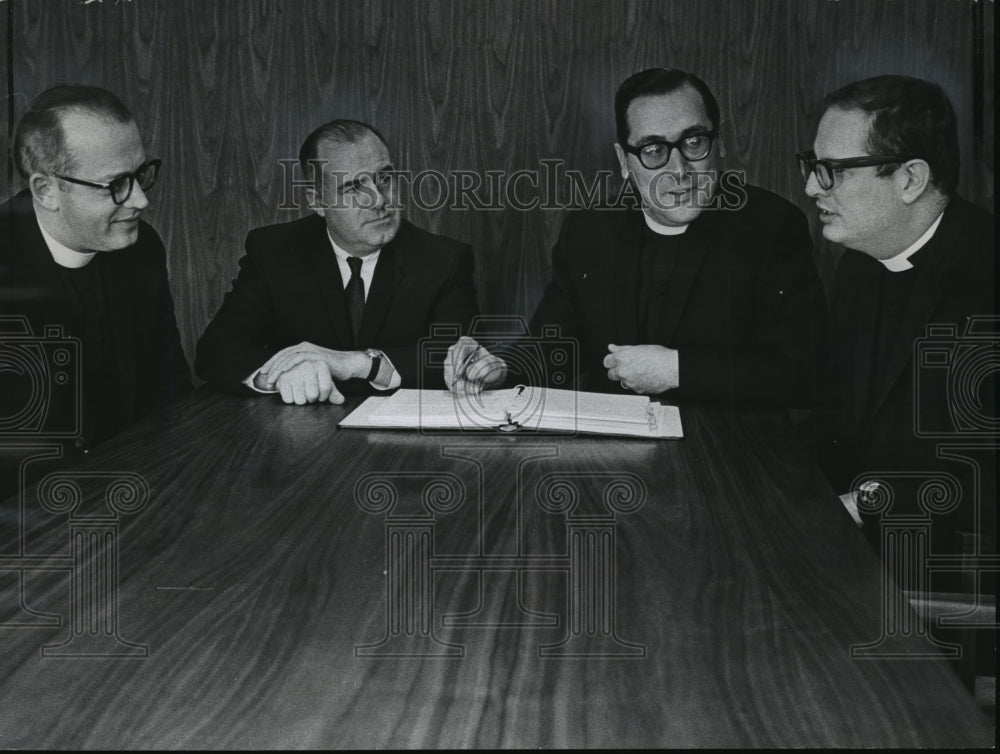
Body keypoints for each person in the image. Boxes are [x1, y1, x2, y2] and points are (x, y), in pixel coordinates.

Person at [447, 67, 825, 408]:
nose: (678, 170)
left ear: (718, 143)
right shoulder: (590, 230)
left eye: (694, 142)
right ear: (623, 161)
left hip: (733, 458)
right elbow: (554, 345)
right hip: (616, 458)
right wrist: (500, 369)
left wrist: (678, 370)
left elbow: (804, 374)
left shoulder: (772, 225)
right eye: (653, 150)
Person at [797, 75, 995, 563]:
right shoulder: (859, 262)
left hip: (957, 571)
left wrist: (861, 505)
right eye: (812, 165)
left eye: (831, 170)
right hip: (858, 546)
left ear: (910, 179)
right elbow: (836, 419)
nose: (810, 187)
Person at [195, 120, 479, 404]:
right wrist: (281, 374)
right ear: (317, 201)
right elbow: (218, 349)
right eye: (354, 188)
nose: (379, 200)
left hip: (402, 441)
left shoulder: (444, 260)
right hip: (299, 436)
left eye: (385, 178)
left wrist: (358, 363)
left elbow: (460, 359)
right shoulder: (273, 252)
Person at [0, 85, 191, 493]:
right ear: (47, 190)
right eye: (117, 183)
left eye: (140, 175)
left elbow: (168, 390)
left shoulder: (142, 249)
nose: (140, 199)